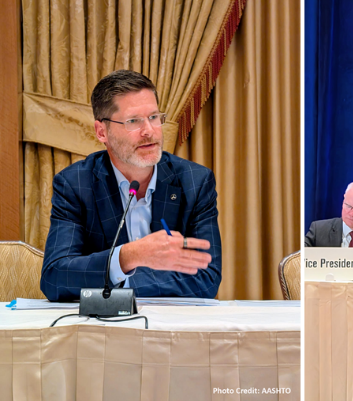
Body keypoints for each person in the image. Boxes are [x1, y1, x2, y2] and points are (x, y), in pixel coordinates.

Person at [40, 70, 222, 301]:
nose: (149, 131)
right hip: (103, 321)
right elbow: (55, 278)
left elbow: (207, 277)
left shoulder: (195, 182)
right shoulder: (75, 184)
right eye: (133, 121)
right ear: (102, 132)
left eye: (153, 117)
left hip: (173, 320)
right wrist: (128, 257)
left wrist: (122, 282)